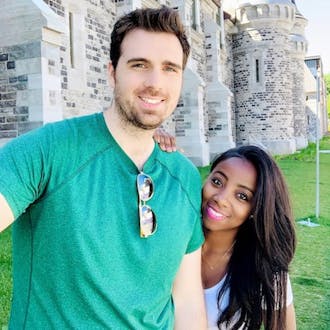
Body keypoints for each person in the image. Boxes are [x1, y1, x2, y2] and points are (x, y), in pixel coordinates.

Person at [0, 6, 207, 329]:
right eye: (139, 65)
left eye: (170, 69)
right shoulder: (50, 150)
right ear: (112, 72)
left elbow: (187, 301)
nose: (155, 83)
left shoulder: (185, 177)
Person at [154, 132, 296, 330]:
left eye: (242, 196)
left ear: (256, 210)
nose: (221, 198)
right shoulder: (172, 236)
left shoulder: (265, 269)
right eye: (218, 182)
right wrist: (148, 145)